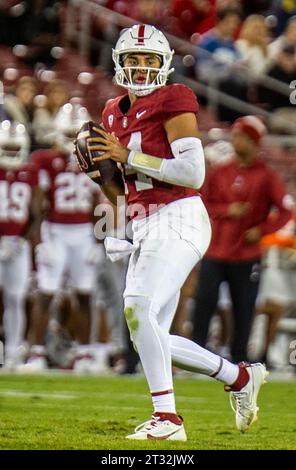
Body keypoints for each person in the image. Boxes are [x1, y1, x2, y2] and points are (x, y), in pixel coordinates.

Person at [84, 24, 269, 441]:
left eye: (150, 60)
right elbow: (123, 184)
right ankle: (238, 377)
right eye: (134, 59)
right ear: (120, 62)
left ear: (164, 64)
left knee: (136, 305)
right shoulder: (112, 110)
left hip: (180, 214)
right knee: (148, 331)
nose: (142, 67)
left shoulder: (175, 98)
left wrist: (125, 154)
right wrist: (103, 182)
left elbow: (193, 173)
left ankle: (167, 420)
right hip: (145, 221)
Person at [192, 115, 293, 363]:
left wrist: (263, 230)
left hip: (246, 255)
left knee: (244, 309)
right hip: (215, 250)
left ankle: (240, 360)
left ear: (252, 141)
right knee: (204, 304)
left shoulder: (266, 176)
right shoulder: (221, 173)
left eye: (241, 136)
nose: (235, 140)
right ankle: (195, 356)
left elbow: (286, 210)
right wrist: (228, 211)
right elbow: (202, 203)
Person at [0, 120, 42, 369]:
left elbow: (38, 213)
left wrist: (21, 240)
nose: (13, 153)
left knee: (16, 297)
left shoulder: (31, 172)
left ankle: (14, 349)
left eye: (16, 148)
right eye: (8, 148)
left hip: (17, 244)